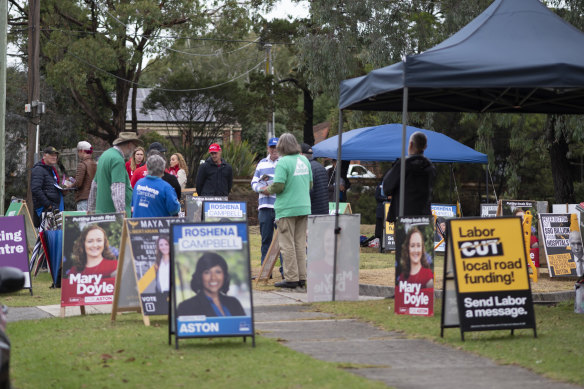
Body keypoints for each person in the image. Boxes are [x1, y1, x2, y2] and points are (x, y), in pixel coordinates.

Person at [262, 133, 312, 288]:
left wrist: (267, 189)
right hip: (304, 207)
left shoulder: (283, 162)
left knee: (287, 244)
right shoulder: (304, 160)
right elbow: (310, 184)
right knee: (300, 243)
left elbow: (279, 185)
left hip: (287, 208)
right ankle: (302, 277)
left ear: (282, 147)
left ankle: (291, 278)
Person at [383, 131, 436, 222]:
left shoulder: (403, 164)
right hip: (424, 218)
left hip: (403, 218)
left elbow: (387, 188)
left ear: (410, 144)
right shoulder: (430, 167)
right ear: (425, 146)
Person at [88, 132, 142, 215]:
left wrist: (91, 212)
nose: (134, 150)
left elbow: (94, 186)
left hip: (101, 215)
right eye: (134, 146)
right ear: (129, 145)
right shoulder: (117, 160)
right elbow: (117, 191)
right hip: (113, 218)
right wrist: (122, 216)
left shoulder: (104, 155)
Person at [176, 252, 245, 317]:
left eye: (218, 272)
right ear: (200, 276)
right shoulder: (186, 307)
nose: (213, 277)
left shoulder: (234, 303)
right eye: (207, 272)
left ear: (224, 275)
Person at [31, 146, 64, 228]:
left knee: (54, 234)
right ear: (44, 156)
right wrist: (48, 205)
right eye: (52, 155)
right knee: (47, 236)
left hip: (54, 208)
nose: (54, 157)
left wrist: (63, 191)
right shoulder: (39, 169)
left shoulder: (51, 170)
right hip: (45, 209)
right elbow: (35, 189)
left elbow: (50, 188)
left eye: (55, 155)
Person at [66, 141, 97, 211]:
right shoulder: (95, 164)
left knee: (83, 221)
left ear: (82, 151)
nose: (78, 154)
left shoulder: (82, 164)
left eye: (78, 152)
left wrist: (69, 186)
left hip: (83, 198)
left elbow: (78, 183)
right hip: (94, 198)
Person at [301, 143, 329, 215]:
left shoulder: (306, 168)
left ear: (301, 154)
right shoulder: (320, 166)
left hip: (313, 211)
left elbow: (309, 192)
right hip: (324, 209)